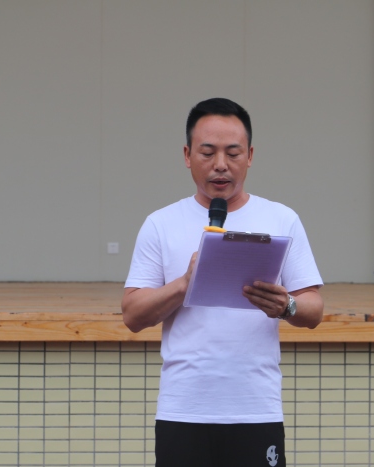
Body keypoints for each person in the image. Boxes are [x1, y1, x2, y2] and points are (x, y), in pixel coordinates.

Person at [121, 97, 324, 467]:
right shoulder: (160, 224)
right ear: (187, 155)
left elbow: (313, 308)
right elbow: (133, 315)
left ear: (250, 156)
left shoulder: (281, 219)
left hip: (255, 410)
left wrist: (286, 306)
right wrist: (185, 283)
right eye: (207, 152)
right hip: (184, 411)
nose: (220, 165)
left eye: (232, 153)